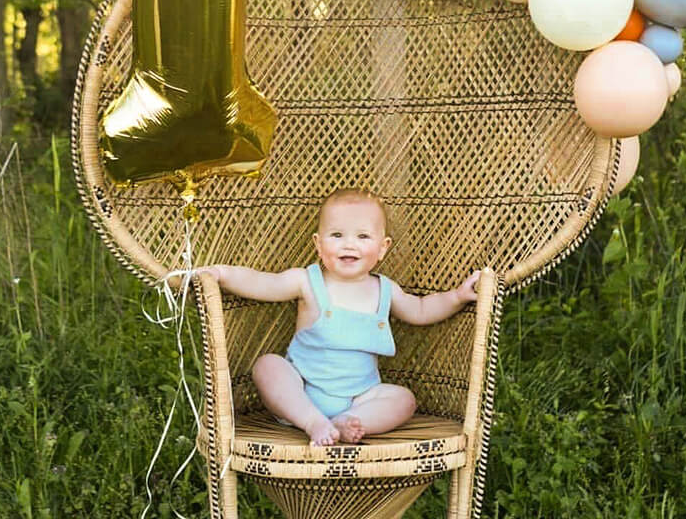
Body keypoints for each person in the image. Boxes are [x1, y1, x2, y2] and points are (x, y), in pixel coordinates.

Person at [197, 188, 480, 447]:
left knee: (403, 399)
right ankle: (312, 422)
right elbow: (263, 283)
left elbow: (420, 310)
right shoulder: (307, 282)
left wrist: (456, 296)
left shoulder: (385, 290)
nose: (349, 245)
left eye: (363, 236)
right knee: (268, 366)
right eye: (337, 235)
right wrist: (222, 274)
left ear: (382, 248)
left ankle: (351, 424)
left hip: (360, 398)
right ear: (318, 245)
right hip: (302, 391)